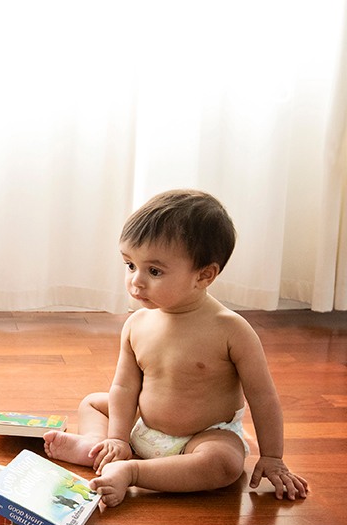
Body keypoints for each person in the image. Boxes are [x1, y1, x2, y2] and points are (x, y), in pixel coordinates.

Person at [43, 189, 309, 507]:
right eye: (130, 265)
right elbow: (125, 386)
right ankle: (99, 446)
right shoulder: (137, 324)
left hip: (202, 437)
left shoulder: (231, 329)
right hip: (144, 426)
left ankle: (134, 471)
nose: (136, 281)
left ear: (204, 275)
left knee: (224, 463)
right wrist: (117, 435)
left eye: (154, 271)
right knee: (94, 403)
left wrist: (273, 456)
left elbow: (263, 396)